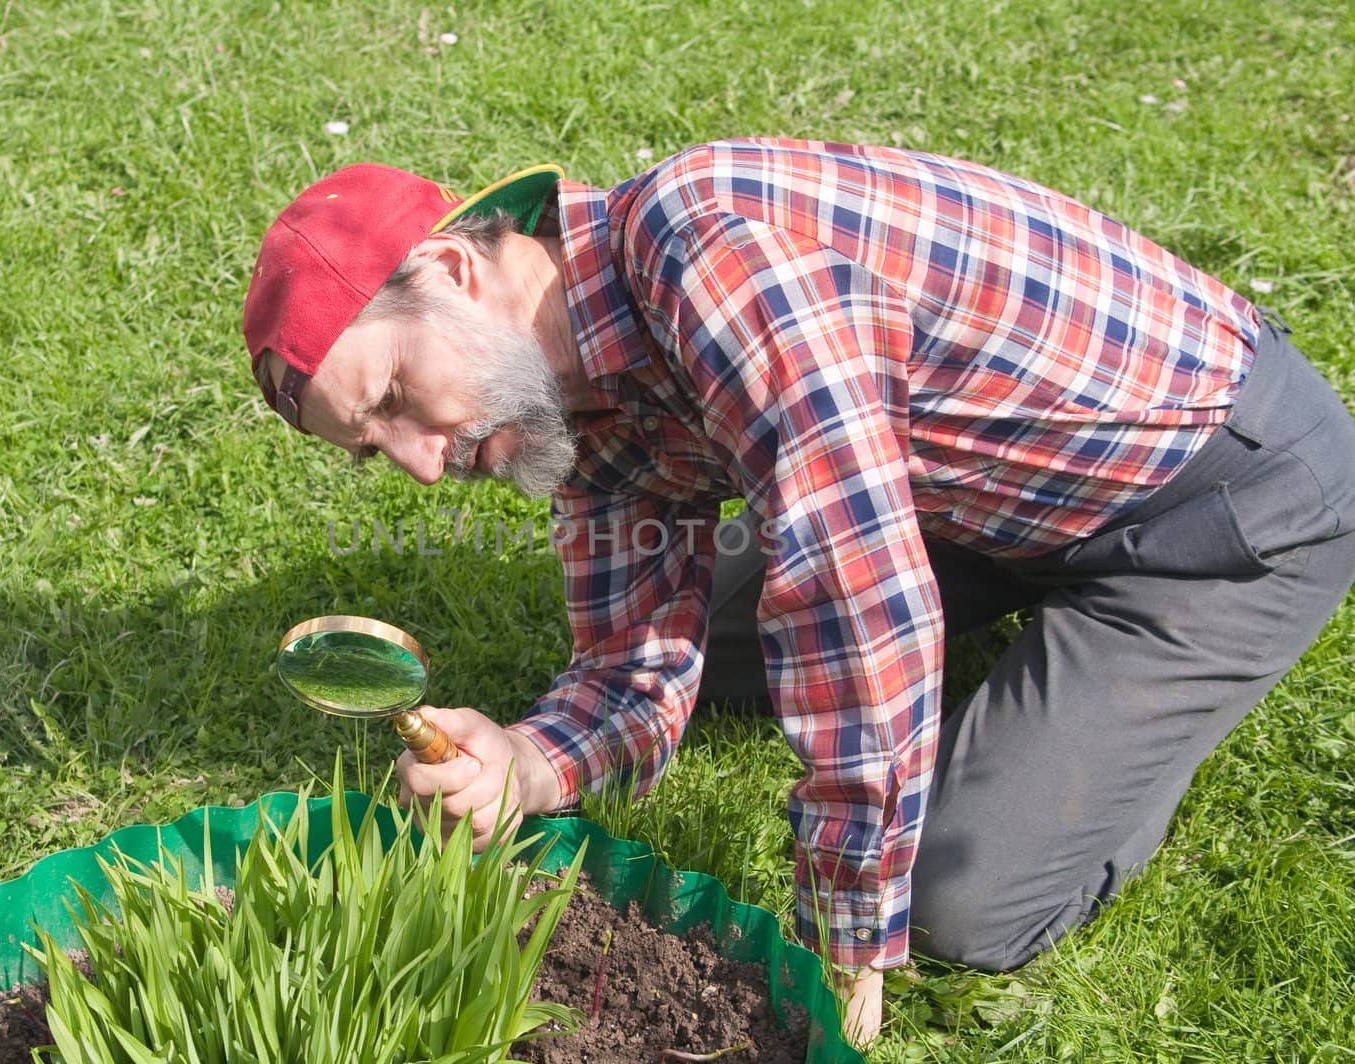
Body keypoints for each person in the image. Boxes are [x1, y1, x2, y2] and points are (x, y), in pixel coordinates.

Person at [241, 140, 1355, 1046]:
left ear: (450, 269)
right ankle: (1033, 660)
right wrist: (530, 761)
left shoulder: (705, 249)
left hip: (1213, 499)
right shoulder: (565, 404)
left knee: (955, 896)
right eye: (374, 447)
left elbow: (852, 588)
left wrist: (848, 918)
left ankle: (1126, 735)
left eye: (392, 391)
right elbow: (632, 663)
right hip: (969, 501)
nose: (423, 461)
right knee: (743, 640)